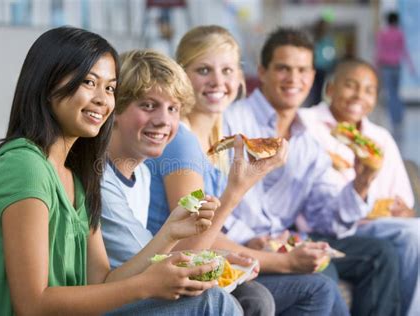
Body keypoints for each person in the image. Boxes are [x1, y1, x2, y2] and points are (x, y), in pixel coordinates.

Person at [0, 26, 240, 315]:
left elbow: (104, 280)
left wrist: (171, 232)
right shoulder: (24, 167)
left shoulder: (76, 173)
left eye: (110, 88)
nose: (103, 99)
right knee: (213, 302)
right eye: (88, 82)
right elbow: (32, 304)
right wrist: (148, 284)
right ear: (47, 85)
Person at [145, 25, 349, 316]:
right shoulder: (181, 141)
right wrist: (285, 262)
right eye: (204, 70)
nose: (218, 81)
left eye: (227, 71)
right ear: (181, 76)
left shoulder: (217, 136)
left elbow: (210, 235)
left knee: (319, 283)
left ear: (240, 77)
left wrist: (251, 250)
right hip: (170, 273)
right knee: (316, 288)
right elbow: (192, 241)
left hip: (201, 263)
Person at [222, 27, 401, 316]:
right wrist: (250, 238)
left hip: (287, 241)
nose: (294, 79)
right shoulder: (232, 121)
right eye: (283, 69)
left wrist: (362, 181)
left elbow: (326, 219)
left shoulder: (309, 142)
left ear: (313, 78)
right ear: (262, 72)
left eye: (303, 70)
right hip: (241, 245)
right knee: (322, 275)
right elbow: (211, 195)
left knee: (382, 254)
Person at [100, 48, 272, 316]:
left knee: (255, 297)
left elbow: (147, 257)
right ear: (115, 109)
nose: (164, 121)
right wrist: (233, 193)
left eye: (173, 109)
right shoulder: (100, 178)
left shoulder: (142, 173)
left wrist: (219, 260)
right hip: (112, 300)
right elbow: (133, 274)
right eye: (148, 105)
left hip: (131, 289)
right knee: (218, 302)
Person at [299, 58, 419, 316]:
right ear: (330, 89)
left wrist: (404, 212)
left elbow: (405, 206)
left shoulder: (380, 138)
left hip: (375, 227)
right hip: (322, 226)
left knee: (415, 232)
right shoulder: (305, 124)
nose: (358, 96)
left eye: (368, 90)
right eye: (351, 86)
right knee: (412, 236)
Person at [376, 11, 415, 139]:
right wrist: (411, 67)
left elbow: (379, 51)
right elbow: (404, 51)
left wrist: (376, 68)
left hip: (386, 66)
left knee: (390, 93)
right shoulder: (399, 33)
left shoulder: (383, 34)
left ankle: (394, 119)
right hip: (397, 66)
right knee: (396, 93)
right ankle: (399, 117)